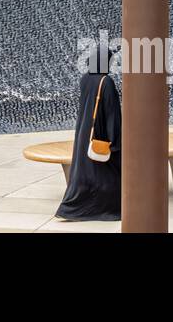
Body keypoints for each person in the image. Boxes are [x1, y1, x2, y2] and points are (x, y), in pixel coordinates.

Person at [54, 40, 121, 221]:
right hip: (100, 133)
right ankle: (102, 209)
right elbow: (111, 113)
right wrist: (116, 141)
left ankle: (73, 208)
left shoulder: (85, 78)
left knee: (87, 170)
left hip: (85, 133)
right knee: (109, 173)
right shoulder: (106, 82)